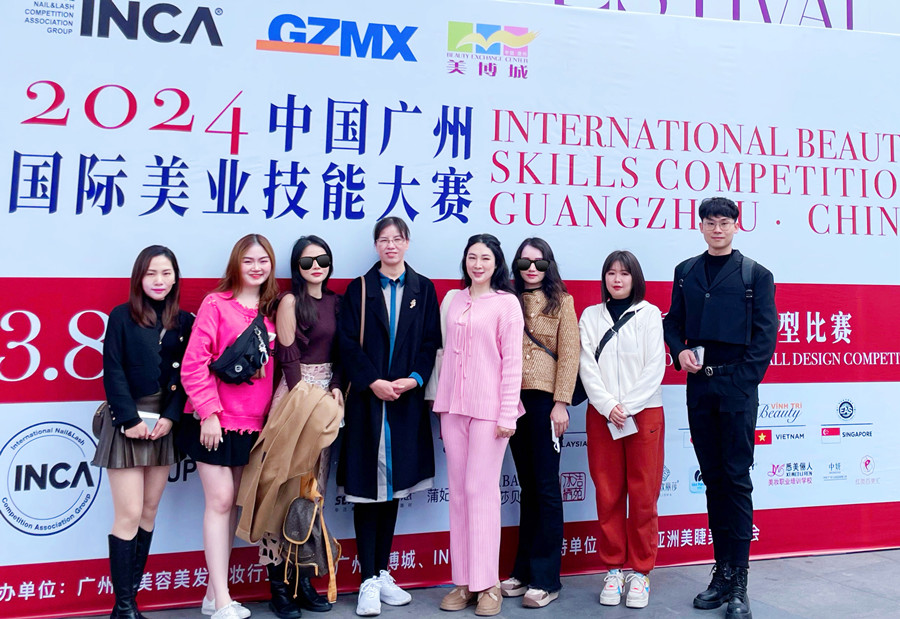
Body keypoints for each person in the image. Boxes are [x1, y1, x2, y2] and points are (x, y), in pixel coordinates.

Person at [663, 197, 777, 619]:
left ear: (735, 226)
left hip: (737, 390)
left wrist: (742, 383)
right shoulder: (686, 271)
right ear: (701, 227)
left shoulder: (755, 274)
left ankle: (740, 581)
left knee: (736, 480)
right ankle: (722, 573)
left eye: (724, 222)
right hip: (700, 388)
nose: (717, 229)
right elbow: (672, 322)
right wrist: (679, 352)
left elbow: (765, 336)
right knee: (712, 480)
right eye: (710, 222)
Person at [336, 217, 441, 617]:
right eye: (384, 239)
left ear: (407, 243)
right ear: (376, 245)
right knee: (368, 490)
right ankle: (367, 578)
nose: (391, 245)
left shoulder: (423, 289)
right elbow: (347, 344)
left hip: (404, 401)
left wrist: (414, 379)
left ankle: (381, 573)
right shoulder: (359, 289)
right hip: (368, 401)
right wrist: (371, 381)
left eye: (397, 239)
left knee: (393, 489)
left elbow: (430, 342)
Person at [179, 234, 279, 619]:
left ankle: (213, 594)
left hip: (253, 426)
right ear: (236, 263)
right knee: (220, 501)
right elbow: (194, 364)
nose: (256, 267)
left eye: (263, 260)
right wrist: (208, 412)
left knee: (232, 505)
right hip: (215, 422)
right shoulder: (215, 304)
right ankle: (222, 599)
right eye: (248, 260)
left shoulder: (271, 312)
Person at [93, 245, 194, 619]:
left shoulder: (185, 321)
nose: (159, 280)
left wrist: (171, 416)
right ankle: (122, 607)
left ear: (175, 278)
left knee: (149, 511)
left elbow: (188, 374)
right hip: (126, 424)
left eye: (166, 273)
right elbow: (113, 371)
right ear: (139, 277)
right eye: (151, 273)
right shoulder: (121, 316)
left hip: (164, 425)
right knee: (129, 513)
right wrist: (128, 420)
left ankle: (129, 603)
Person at [434, 234, 525, 618]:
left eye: (485, 258)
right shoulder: (454, 300)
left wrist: (507, 415)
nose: (477, 264)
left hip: (490, 411)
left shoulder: (507, 303)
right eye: (472, 257)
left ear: (496, 263)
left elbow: (513, 362)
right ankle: (463, 582)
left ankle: (488, 584)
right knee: (458, 494)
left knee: (480, 491)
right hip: (453, 407)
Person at [255, 235, 343, 618]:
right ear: (297, 267)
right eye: (307, 262)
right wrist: (306, 404)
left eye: (321, 259)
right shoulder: (290, 302)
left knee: (312, 493)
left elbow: (342, 355)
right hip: (295, 400)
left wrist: (336, 388)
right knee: (283, 491)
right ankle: (279, 587)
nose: (315, 267)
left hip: (327, 404)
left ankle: (303, 581)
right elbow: (288, 360)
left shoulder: (337, 303)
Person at [578, 250, 666, 610]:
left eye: (624, 274)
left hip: (643, 413)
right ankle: (613, 569)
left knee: (643, 495)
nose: (617, 279)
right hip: (603, 415)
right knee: (608, 493)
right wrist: (608, 406)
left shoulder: (649, 314)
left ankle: (641, 572)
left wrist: (626, 406)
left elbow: (655, 366)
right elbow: (586, 365)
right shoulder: (590, 316)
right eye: (611, 273)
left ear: (635, 279)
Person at [500, 238, 578, 608]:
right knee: (527, 487)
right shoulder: (506, 299)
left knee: (546, 488)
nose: (532, 269)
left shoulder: (562, 301)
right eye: (525, 262)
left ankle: (547, 579)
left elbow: (570, 354)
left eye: (539, 262)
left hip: (546, 402)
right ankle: (523, 571)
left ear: (549, 265)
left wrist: (561, 403)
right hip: (512, 401)